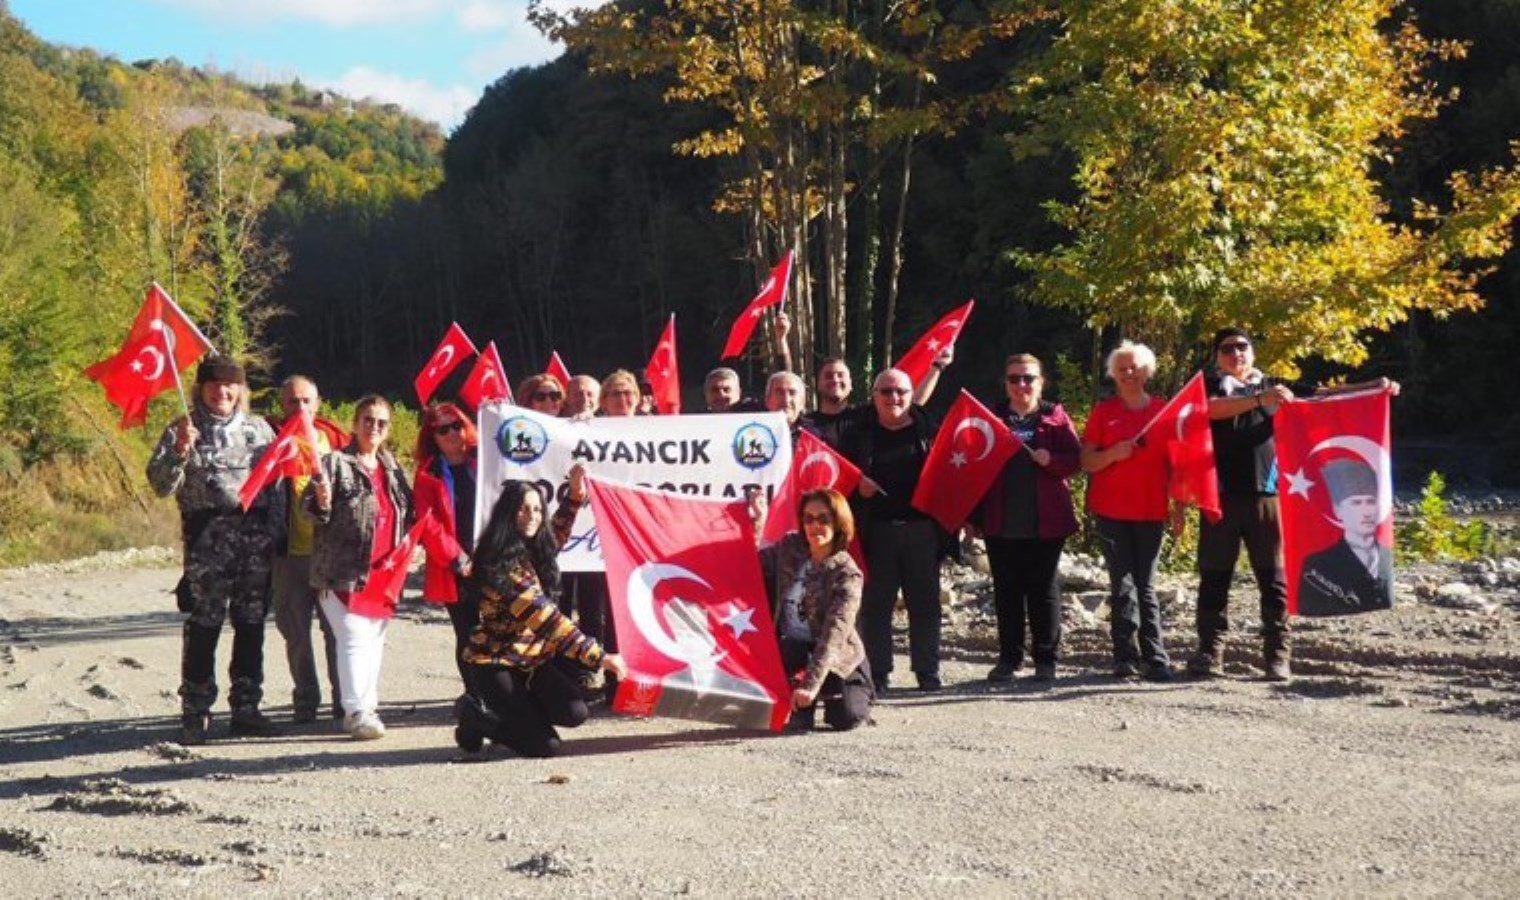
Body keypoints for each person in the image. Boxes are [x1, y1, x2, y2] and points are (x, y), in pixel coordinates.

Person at [147, 355, 283, 744]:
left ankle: (246, 706)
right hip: (208, 549)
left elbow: (276, 488)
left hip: (255, 547)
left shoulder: (259, 431)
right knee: (204, 628)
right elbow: (160, 485)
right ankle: (196, 710)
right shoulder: (183, 428)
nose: (221, 392)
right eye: (213, 385)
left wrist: (278, 536)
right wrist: (177, 452)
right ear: (200, 388)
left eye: (229, 385)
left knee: (252, 626)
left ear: (240, 389)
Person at [455, 465, 628, 757]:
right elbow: (548, 621)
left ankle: (521, 719)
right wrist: (602, 657)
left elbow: (557, 530)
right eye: (523, 510)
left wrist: (574, 496)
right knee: (545, 747)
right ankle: (480, 720)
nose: (532, 516)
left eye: (537, 510)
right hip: (497, 665)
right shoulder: (498, 564)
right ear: (508, 514)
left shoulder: (533, 548)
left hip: (533, 662)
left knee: (575, 712)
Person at [305, 395, 420, 740]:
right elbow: (311, 509)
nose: (374, 427)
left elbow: (409, 513)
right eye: (367, 420)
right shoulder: (334, 463)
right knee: (353, 636)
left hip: (385, 571)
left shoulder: (393, 468)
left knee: (372, 639)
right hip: (341, 570)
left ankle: (367, 705)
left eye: (381, 422)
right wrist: (320, 498)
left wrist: (413, 548)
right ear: (354, 424)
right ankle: (355, 710)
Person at [970, 354, 1081, 684]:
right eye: (1014, 379)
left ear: (1041, 382)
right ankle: (1009, 659)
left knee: (1044, 590)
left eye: (1028, 378)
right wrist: (972, 518)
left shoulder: (1055, 416)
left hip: (1046, 520)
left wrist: (1053, 460)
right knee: (1006, 591)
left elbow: (1076, 460)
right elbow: (973, 470)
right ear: (1005, 383)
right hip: (1000, 519)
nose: (1021, 385)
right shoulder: (991, 418)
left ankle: (1046, 660)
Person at [834, 368, 944, 693]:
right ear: (874, 396)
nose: (894, 398)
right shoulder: (858, 434)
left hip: (922, 530)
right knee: (876, 605)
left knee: (925, 604)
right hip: (876, 531)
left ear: (912, 396)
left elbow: (953, 474)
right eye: (886, 392)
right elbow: (839, 479)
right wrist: (857, 487)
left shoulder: (928, 429)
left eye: (901, 393)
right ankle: (878, 673)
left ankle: (927, 671)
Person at [1080, 342, 1175, 681]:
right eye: (1122, 369)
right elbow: (1086, 461)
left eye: (1134, 367)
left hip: (1152, 511)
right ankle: (1124, 656)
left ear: (1147, 370)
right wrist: (1112, 455)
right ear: (1113, 375)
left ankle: (1156, 656)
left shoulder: (1164, 412)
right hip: (1111, 511)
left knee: (1146, 586)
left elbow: (1177, 465)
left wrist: (1179, 509)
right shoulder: (1104, 413)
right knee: (1122, 585)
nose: (1129, 373)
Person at [753, 488, 873, 731]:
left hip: (834, 655)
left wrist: (811, 685)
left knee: (847, 718)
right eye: (808, 518)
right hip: (792, 648)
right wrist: (758, 523)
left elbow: (834, 635)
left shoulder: (847, 575)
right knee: (795, 720)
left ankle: (855, 690)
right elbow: (753, 564)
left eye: (823, 519)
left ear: (838, 523)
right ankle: (799, 700)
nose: (814, 526)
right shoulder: (790, 547)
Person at [267, 375, 347, 722]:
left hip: (328, 555)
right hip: (288, 555)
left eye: (305, 401)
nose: (299, 408)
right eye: (292, 402)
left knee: (336, 631)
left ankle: (343, 699)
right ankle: (305, 698)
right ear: (282, 406)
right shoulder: (270, 442)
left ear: (317, 404)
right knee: (295, 632)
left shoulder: (338, 443)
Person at [413, 402, 482, 706]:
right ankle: (474, 694)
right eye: (443, 429)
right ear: (433, 436)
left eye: (456, 425)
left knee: (500, 629)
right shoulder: (428, 473)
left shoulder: (484, 460)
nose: (453, 433)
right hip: (456, 567)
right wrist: (457, 558)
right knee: (467, 633)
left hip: (492, 560)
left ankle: (502, 692)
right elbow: (428, 523)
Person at [1295, 458, 1394, 616]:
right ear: (1338, 510)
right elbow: (1309, 606)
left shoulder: (1386, 555)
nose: (1366, 512)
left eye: (1370, 501)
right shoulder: (1318, 562)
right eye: (1356, 503)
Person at [764, 370, 809, 441]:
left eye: (792, 393)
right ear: (767, 400)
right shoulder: (756, 432)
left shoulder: (814, 436)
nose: (786, 400)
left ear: (802, 402)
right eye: (779, 393)